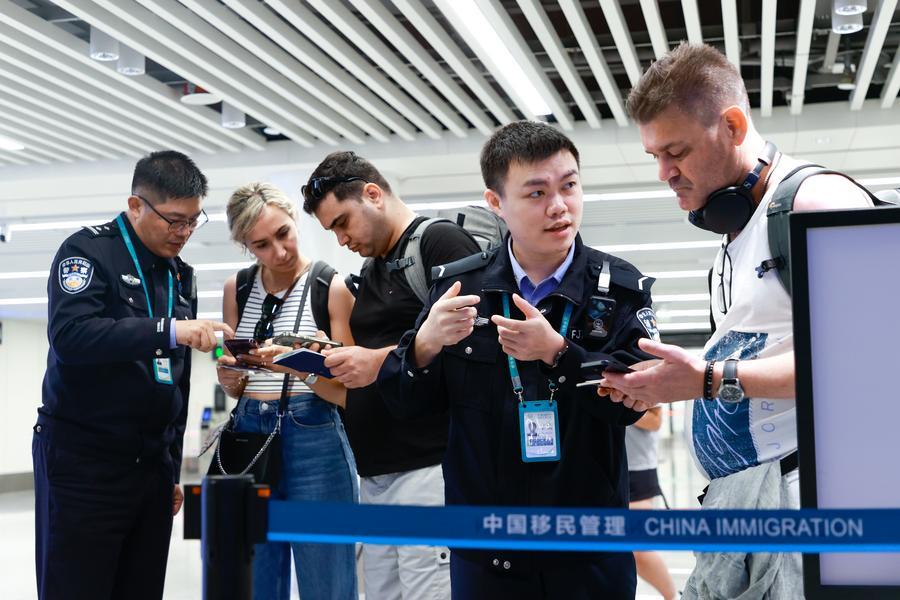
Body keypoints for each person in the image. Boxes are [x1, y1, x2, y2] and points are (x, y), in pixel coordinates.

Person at [599, 42, 874, 597]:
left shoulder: (817, 203)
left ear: (731, 125)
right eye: (654, 156)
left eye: (675, 151)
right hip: (748, 508)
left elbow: (866, 364)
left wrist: (706, 379)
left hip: (810, 513)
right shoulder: (735, 233)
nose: (664, 173)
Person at [379, 120, 660, 599]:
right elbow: (406, 407)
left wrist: (558, 353)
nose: (559, 206)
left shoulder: (618, 289)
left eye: (569, 186)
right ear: (496, 202)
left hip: (589, 550)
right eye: (536, 193)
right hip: (487, 551)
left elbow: (635, 401)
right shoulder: (458, 289)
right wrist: (424, 345)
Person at [34, 150, 230, 600]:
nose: (184, 233)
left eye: (193, 222)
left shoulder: (180, 276)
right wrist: (168, 330)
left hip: (150, 467)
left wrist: (172, 468)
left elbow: (175, 378)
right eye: (174, 220)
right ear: (136, 205)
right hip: (85, 463)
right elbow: (71, 337)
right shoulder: (87, 252)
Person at [301, 151, 481, 599]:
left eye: (343, 222)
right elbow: (369, 377)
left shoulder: (440, 243)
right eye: (332, 231)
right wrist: (317, 364)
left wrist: (375, 359)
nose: (341, 239)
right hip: (376, 474)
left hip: (428, 468)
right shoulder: (372, 269)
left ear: (373, 194)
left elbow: (471, 343)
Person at [215, 182, 358, 600]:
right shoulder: (238, 289)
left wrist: (300, 366)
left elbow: (348, 392)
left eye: (284, 234)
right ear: (245, 246)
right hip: (247, 434)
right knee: (250, 581)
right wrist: (230, 379)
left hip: (314, 435)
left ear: (294, 219)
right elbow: (236, 374)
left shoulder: (330, 286)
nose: (279, 252)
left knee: (327, 580)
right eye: (261, 245)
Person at [625, 408, 675, 600]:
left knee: (638, 548)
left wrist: (614, 409)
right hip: (601, 468)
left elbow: (655, 421)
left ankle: (673, 597)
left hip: (637, 470)